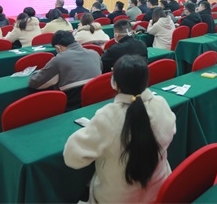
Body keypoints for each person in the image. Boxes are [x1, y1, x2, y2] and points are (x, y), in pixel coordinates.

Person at [63, 55, 176, 203]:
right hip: (158, 190)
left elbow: (72, 157)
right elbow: (171, 131)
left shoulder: (107, 116)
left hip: (117, 198)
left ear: (115, 83)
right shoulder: (160, 103)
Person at [29, 30, 102, 110]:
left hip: (72, 105)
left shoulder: (59, 59)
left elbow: (36, 83)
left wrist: (36, 72)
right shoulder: (94, 53)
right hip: (96, 101)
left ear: (58, 47)